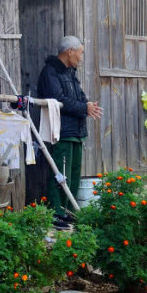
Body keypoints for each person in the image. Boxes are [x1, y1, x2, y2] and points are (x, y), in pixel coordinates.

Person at [37, 36, 103, 229]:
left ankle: (68, 211)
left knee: (73, 173)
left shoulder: (70, 72)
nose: (81, 58)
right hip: (62, 131)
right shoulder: (50, 72)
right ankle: (55, 213)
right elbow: (58, 99)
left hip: (76, 130)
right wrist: (84, 108)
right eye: (80, 53)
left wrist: (87, 104)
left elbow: (79, 96)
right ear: (70, 52)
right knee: (61, 173)